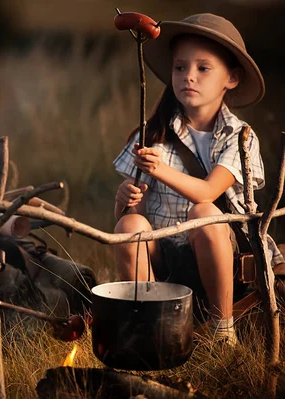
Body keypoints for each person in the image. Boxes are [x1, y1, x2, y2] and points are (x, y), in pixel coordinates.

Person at [112, 13, 284, 345]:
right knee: (129, 226)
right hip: (164, 256)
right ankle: (153, 327)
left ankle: (223, 330)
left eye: (203, 69)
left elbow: (208, 191)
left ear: (230, 79)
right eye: (180, 68)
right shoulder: (153, 134)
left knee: (203, 213)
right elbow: (133, 215)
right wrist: (125, 200)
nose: (188, 76)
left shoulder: (240, 136)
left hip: (223, 256)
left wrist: (161, 169)